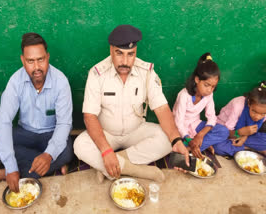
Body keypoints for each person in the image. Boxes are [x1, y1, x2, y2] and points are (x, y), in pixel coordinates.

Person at [74, 25, 189, 184]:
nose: (125, 61)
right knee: (80, 144)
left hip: (136, 130)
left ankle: (111, 165)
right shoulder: (97, 74)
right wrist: (106, 150)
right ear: (111, 50)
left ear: (136, 52)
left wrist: (176, 140)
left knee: (167, 139)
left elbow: (161, 108)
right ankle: (136, 170)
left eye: (131, 54)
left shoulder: (146, 72)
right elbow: (89, 116)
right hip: (106, 133)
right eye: (119, 54)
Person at [0, 33, 74, 192]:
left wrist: (48, 154)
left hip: (50, 134)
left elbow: (64, 123)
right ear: (22, 60)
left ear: (47, 57)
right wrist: (11, 166)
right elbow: (4, 120)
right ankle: (42, 167)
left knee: (67, 150)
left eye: (41, 59)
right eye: (30, 61)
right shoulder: (15, 82)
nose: (37, 67)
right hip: (25, 133)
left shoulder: (61, 82)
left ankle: (13, 172)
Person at [172, 53, 229, 159]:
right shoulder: (184, 95)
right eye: (206, 85)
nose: (209, 90)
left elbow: (212, 118)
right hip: (180, 129)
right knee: (170, 143)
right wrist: (189, 140)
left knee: (223, 131)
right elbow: (178, 123)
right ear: (197, 80)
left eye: (213, 87)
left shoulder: (209, 95)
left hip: (195, 125)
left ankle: (190, 149)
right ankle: (196, 146)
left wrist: (200, 135)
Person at [213, 81, 266, 156]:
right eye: (254, 111)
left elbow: (254, 130)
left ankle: (246, 148)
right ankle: (252, 149)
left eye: (263, 114)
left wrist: (245, 136)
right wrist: (240, 133)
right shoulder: (238, 105)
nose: (257, 117)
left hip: (245, 135)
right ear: (249, 103)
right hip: (226, 132)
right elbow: (226, 132)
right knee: (218, 147)